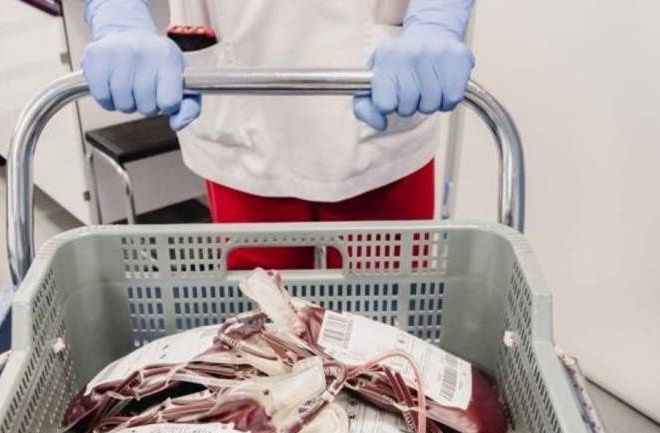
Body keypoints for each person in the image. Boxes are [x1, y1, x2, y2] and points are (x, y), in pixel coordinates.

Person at [81, 0, 474, 268]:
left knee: (387, 316)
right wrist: (119, 15)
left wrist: (437, 19)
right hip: (242, 112)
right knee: (262, 322)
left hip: (385, 113)